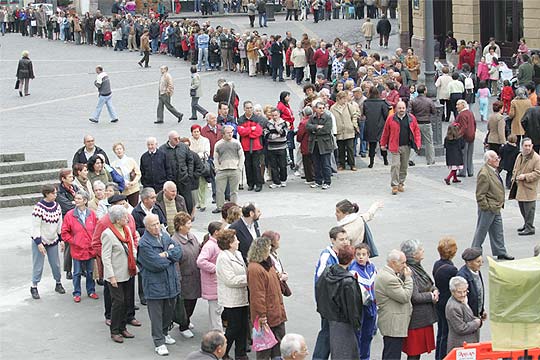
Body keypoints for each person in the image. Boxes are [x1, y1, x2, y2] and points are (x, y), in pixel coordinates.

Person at [137, 213, 182, 356]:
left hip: (171, 283)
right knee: (157, 315)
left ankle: (164, 333)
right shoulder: (144, 244)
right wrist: (170, 257)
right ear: (147, 227)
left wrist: (167, 254)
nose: (157, 227)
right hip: (155, 286)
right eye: (153, 225)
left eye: (158, 223)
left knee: (169, 312)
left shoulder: (165, 236)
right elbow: (156, 264)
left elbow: (178, 252)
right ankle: (159, 342)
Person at [316, 245, 362, 359]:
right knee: (346, 352)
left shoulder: (328, 272)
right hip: (344, 322)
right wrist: (356, 324)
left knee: (337, 350)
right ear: (352, 259)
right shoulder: (348, 281)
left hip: (330, 317)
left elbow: (319, 290)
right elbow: (353, 307)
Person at [101, 205, 138, 343]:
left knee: (127, 301)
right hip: (115, 275)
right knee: (118, 302)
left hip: (128, 271)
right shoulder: (108, 234)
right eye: (124, 217)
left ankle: (123, 327)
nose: (127, 218)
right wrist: (111, 276)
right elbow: (106, 257)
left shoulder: (126, 229)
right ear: (117, 220)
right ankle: (114, 330)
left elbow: (131, 246)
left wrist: (134, 259)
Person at [312, 226, 350, 359]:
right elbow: (320, 281)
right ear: (332, 240)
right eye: (341, 240)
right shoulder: (327, 257)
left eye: (346, 239)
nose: (345, 242)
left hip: (336, 304)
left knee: (332, 333)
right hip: (328, 304)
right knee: (327, 333)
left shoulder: (343, 254)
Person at [247, 236, 287, 360]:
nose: (270, 250)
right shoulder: (255, 268)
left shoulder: (268, 264)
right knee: (265, 349)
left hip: (276, 312)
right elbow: (257, 295)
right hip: (266, 315)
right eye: (268, 248)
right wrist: (262, 316)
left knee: (278, 346)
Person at [471, 151, 514, 260]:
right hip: (489, 208)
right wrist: (486, 207)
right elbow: (480, 194)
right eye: (496, 159)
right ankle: (475, 252)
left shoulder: (493, 170)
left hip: (496, 207)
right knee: (482, 230)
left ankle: (500, 251)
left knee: (498, 230)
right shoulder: (484, 173)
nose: (498, 160)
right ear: (489, 161)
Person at [400, 239, 438, 360]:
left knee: (417, 353)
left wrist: (434, 290)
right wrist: (431, 296)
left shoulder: (418, 267)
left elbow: (429, 283)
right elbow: (414, 296)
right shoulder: (409, 271)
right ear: (413, 255)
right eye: (420, 250)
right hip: (416, 321)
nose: (423, 251)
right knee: (414, 353)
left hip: (422, 319)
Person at [215, 228, 249, 360]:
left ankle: (241, 353)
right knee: (234, 328)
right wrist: (249, 279)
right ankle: (222, 352)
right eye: (235, 239)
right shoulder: (223, 258)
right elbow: (230, 280)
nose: (238, 241)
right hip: (231, 299)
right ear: (229, 243)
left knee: (243, 327)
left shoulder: (238, 254)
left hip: (242, 297)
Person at [61, 190, 98, 303]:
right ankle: (76, 292)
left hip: (89, 249)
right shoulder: (69, 215)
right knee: (76, 273)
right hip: (77, 249)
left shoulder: (91, 214)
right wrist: (73, 241)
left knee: (90, 272)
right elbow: (64, 232)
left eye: (79, 199)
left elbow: (97, 229)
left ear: (85, 201)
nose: (76, 200)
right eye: (76, 198)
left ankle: (91, 290)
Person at [375, 249, 413, 360]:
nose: (405, 266)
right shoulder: (389, 279)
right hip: (393, 325)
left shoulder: (387, 274)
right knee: (392, 355)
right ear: (393, 263)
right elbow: (405, 296)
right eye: (403, 263)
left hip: (393, 323)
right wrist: (408, 278)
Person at [30, 185, 66, 299]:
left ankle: (58, 282)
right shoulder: (38, 208)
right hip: (40, 240)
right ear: (47, 194)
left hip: (53, 240)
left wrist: (61, 239)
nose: (56, 195)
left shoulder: (57, 206)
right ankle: (34, 286)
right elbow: (35, 227)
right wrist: (39, 243)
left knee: (55, 263)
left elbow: (60, 224)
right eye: (54, 193)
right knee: (38, 265)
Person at [380, 101, 422, 195]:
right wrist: (383, 143)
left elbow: (416, 131)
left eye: (403, 108)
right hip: (395, 146)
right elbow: (386, 132)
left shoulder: (411, 118)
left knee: (404, 166)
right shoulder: (391, 119)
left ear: (405, 108)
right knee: (395, 165)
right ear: (396, 109)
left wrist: (418, 143)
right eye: (399, 108)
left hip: (406, 145)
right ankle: (394, 185)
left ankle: (401, 183)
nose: (401, 110)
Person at [171, 212, 201, 338]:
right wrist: (178, 278)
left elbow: (198, 249)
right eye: (188, 223)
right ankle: (184, 325)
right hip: (184, 278)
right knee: (185, 304)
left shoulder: (191, 236)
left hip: (195, 275)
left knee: (192, 301)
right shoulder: (174, 241)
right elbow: (175, 262)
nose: (190, 225)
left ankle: (187, 320)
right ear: (180, 226)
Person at [348, 243, 378, 359]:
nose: (361, 257)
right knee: (359, 336)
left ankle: (366, 357)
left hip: (372, 306)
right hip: (361, 309)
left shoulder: (372, 267)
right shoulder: (353, 271)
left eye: (363, 254)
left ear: (368, 255)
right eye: (358, 254)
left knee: (368, 335)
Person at [432, 237, 458, 360]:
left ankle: (438, 355)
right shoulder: (452, 269)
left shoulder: (437, 264)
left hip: (439, 301)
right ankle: (443, 356)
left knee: (441, 331)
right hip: (447, 302)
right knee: (446, 332)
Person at [197, 222, 224, 332]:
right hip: (213, 284)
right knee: (215, 312)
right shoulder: (210, 245)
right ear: (216, 232)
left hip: (216, 283)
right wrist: (216, 268)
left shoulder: (216, 244)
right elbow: (200, 261)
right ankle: (217, 335)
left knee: (217, 311)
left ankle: (217, 332)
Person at [159, 130, 194, 214]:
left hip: (184, 177)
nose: (178, 140)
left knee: (187, 200)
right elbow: (161, 165)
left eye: (179, 138)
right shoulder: (162, 149)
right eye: (175, 139)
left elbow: (190, 160)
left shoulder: (183, 147)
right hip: (170, 179)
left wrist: (189, 174)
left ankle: (187, 215)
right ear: (169, 139)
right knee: (171, 198)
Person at [510, 138, 540, 236]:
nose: (527, 148)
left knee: (529, 209)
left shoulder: (536, 158)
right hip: (520, 186)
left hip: (529, 187)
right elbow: (515, 167)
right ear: (522, 146)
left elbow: (537, 173)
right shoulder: (520, 155)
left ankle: (529, 227)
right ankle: (526, 224)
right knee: (522, 207)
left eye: (529, 146)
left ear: (532, 146)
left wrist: (525, 176)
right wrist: (514, 176)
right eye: (525, 146)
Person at [445, 276, 482, 353]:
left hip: (467, 346)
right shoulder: (453, 307)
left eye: (465, 291)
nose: (463, 294)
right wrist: (477, 322)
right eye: (459, 292)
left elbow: (469, 317)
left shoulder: (462, 300)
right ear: (452, 292)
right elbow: (461, 328)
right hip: (460, 347)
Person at [212, 125, 244, 213]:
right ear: (223, 134)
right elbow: (215, 157)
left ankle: (233, 207)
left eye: (231, 132)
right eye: (228, 133)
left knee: (234, 191)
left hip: (234, 169)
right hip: (222, 170)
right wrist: (217, 169)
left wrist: (239, 168)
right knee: (220, 190)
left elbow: (241, 156)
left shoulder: (236, 143)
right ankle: (220, 207)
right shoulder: (218, 144)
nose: (230, 134)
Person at [237, 102, 265, 192]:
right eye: (247, 108)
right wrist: (251, 129)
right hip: (245, 146)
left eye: (250, 108)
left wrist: (247, 131)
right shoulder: (241, 119)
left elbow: (258, 132)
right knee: (248, 165)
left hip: (256, 146)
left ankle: (258, 183)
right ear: (244, 109)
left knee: (256, 166)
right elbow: (241, 132)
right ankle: (250, 183)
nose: (249, 109)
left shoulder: (257, 118)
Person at [306, 101, 334, 190]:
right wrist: (316, 127)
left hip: (325, 144)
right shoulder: (311, 118)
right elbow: (307, 127)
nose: (322, 110)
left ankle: (327, 181)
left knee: (326, 164)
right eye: (320, 108)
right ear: (315, 109)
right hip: (314, 144)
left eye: (323, 108)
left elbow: (326, 129)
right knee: (316, 164)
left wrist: (314, 130)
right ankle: (318, 181)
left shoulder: (328, 118)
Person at [331, 91, 359, 171]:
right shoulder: (333, 108)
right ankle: (341, 164)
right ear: (338, 99)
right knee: (341, 149)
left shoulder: (349, 106)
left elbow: (354, 115)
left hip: (349, 130)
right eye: (343, 99)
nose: (344, 101)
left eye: (345, 99)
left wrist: (354, 124)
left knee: (350, 148)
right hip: (339, 131)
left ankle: (352, 164)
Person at [408, 84, 436, 165]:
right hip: (426, 123)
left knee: (415, 141)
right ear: (424, 91)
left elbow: (410, 112)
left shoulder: (413, 101)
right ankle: (430, 160)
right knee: (429, 142)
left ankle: (411, 158)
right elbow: (434, 111)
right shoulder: (429, 101)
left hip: (416, 123)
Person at [362, 86, 390, 167]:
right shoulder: (382, 103)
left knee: (371, 145)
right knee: (382, 144)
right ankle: (385, 160)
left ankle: (371, 162)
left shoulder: (366, 102)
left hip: (370, 126)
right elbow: (386, 115)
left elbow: (364, 113)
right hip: (381, 126)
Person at [456, 248, 486, 321]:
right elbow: (461, 300)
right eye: (478, 262)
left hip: (476, 314)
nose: (481, 264)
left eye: (481, 261)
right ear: (469, 263)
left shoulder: (476, 270)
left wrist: (481, 310)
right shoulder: (462, 277)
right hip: (469, 317)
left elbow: (479, 293)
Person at [265, 107, 289, 188]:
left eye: (276, 115)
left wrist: (277, 128)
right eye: (273, 115)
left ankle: (283, 180)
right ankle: (276, 181)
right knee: (273, 166)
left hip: (282, 147)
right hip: (272, 147)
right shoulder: (268, 123)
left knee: (282, 165)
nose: (274, 117)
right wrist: (275, 135)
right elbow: (266, 134)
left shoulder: (284, 123)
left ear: (279, 115)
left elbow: (284, 133)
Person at [111, 142, 141, 207]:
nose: (119, 151)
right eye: (117, 149)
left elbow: (138, 173)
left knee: (134, 207)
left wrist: (133, 182)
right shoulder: (113, 164)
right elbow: (114, 178)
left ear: (123, 150)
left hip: (133, 189)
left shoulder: (131, 160)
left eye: (120, 149)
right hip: (122, 190)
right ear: (114, 152)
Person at [454, 100, 476, 177]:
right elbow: (474, 124)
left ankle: (462, 171)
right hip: (471, 136)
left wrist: (457, 136)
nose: (456, 106)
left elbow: (463, 127)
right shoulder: (470, 113)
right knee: (470, 155)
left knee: (463, 155)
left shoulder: (462, 115)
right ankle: (470, 171)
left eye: (458, 105)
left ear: (463, 105)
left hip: (464, 137)